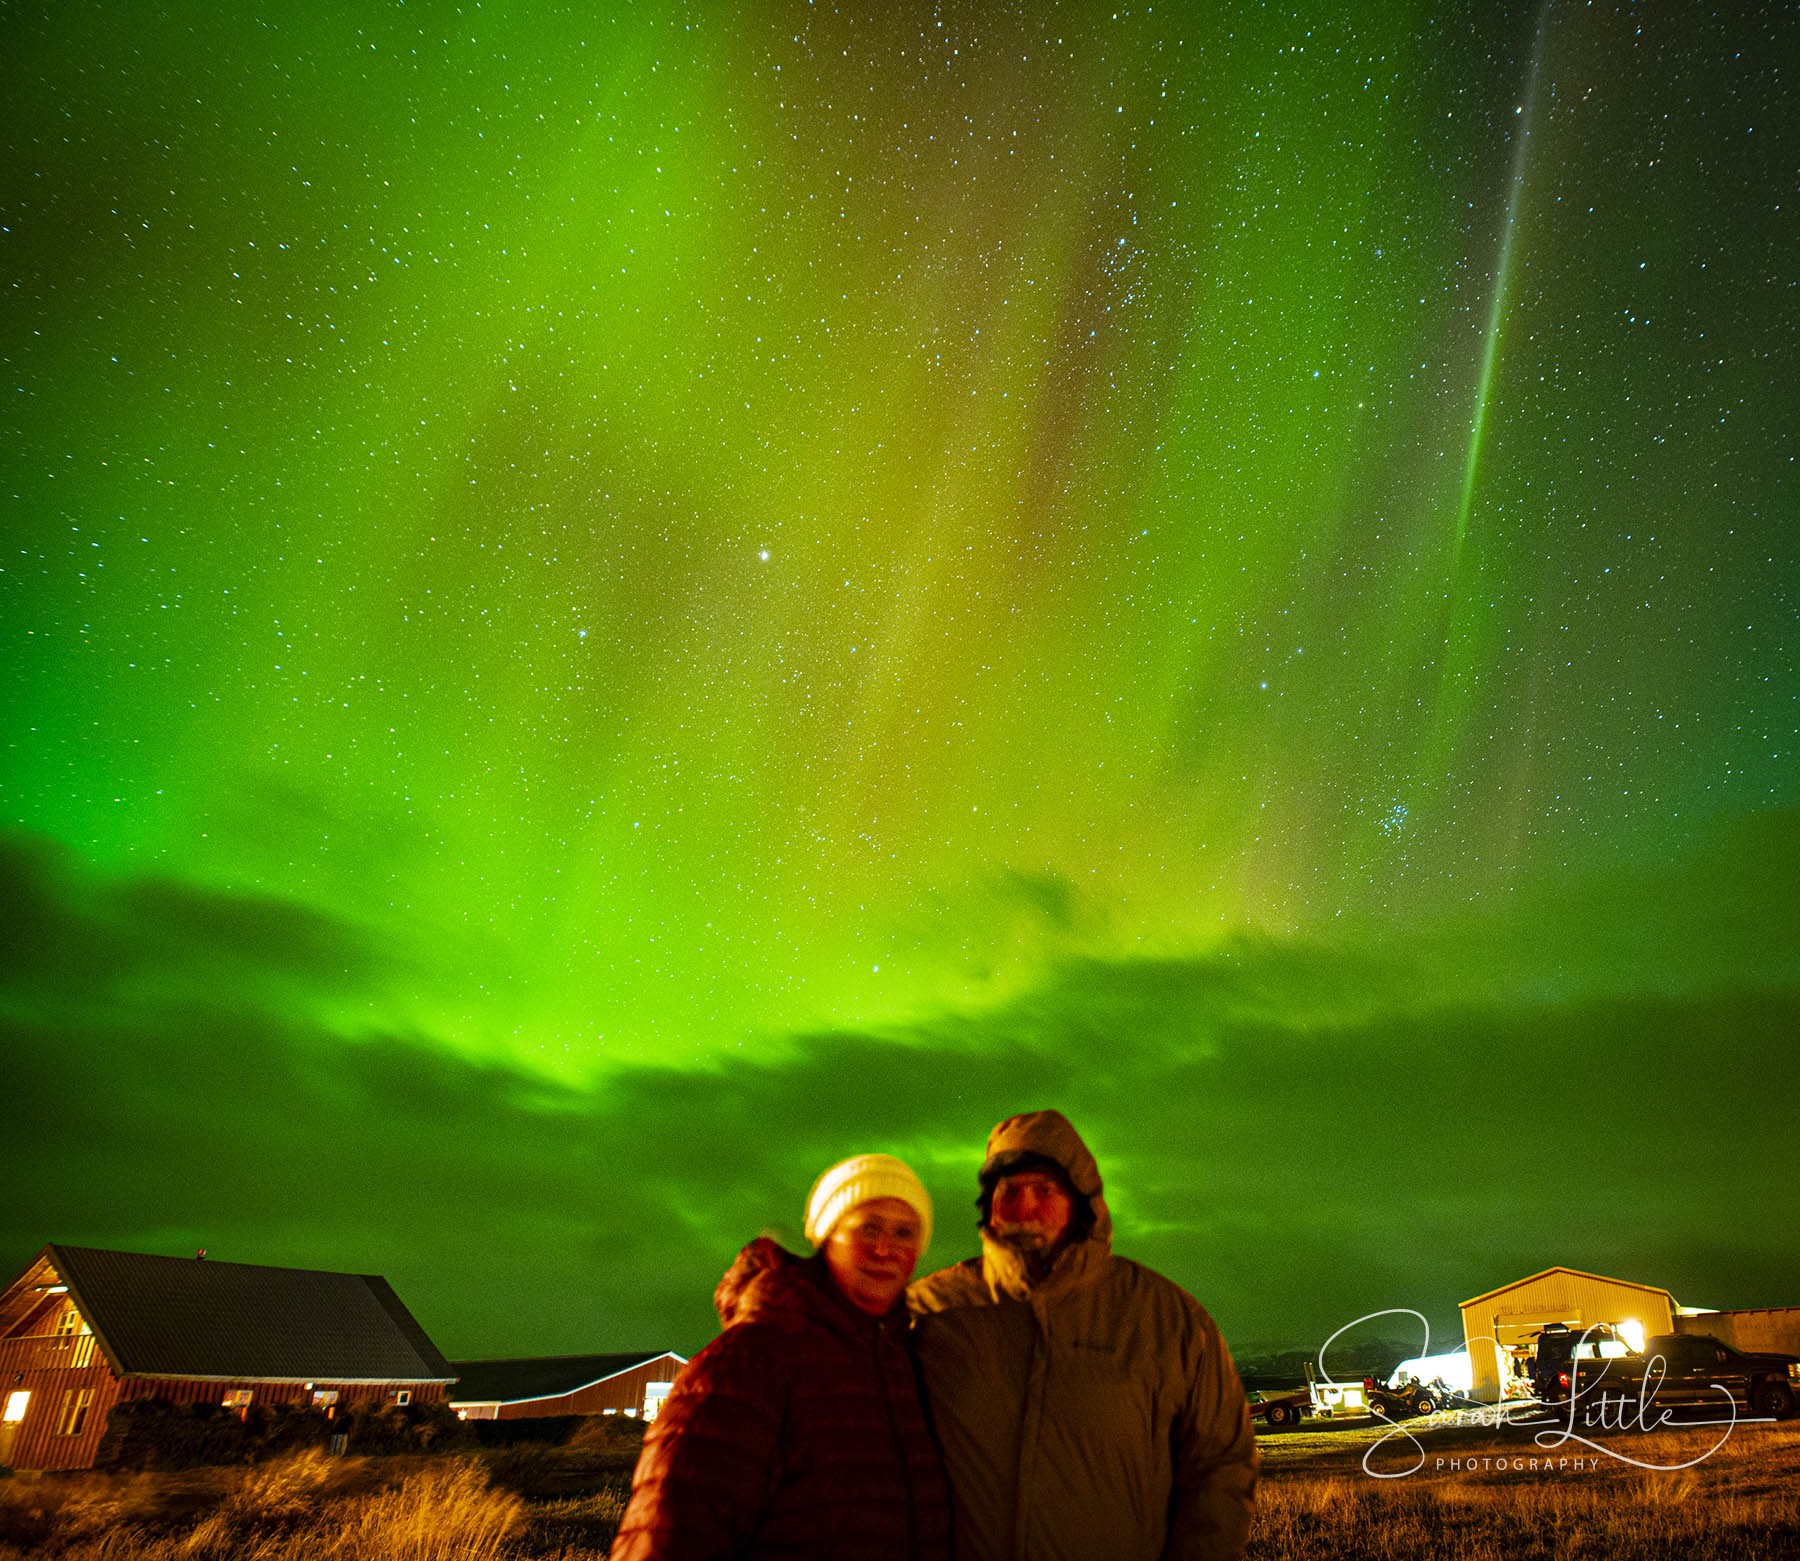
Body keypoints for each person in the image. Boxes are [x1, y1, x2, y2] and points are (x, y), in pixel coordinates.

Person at [909, 1109, 1258, 1561]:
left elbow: (1221, 1465)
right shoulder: (930, 1310)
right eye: (1009, 1190)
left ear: (1081, 1201)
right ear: (988, 1203)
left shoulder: (1165, 1318)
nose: (1025, 1206)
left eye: (1044, 1190)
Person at [608, 1153, 950, 1561]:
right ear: (827, 1237)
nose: (884, 1249)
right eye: (868, 1227)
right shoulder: (749, 1361)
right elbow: (669, 1536)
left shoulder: (906, 1367)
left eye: (904, 1233)